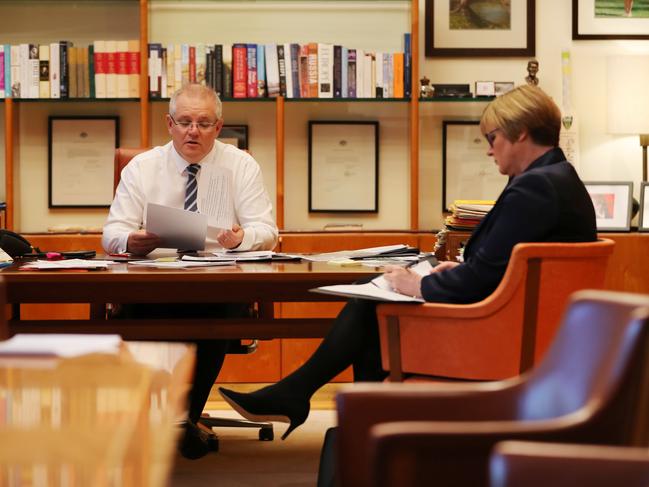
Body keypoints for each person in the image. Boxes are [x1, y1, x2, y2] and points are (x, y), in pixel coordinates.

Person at [218, 85, 597, 440]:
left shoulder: (535, 188)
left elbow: (484, 278)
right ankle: (349, 421)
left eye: (491, 138)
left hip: (496, 338)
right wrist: (455, 272)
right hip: (521, 328)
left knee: (374, 306)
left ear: (520, 133)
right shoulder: (559, 179)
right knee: (375, 308)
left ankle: (336, 415)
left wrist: (420, 285)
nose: (488, 150)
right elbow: (508, 270)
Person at [102, 83, 278, 458]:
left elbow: (268, 232)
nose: (192, 131)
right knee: (151, 312)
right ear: (169, 124)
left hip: (217, 280)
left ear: (218, 126)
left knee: (214, 310)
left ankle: (182, 419)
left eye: (203, 123)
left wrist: (241, 237)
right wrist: (132, 241)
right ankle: (170, 420)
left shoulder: (240, 165)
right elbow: (112, 233)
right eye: (184, 122)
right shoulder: (143, 167)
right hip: (155, 279)